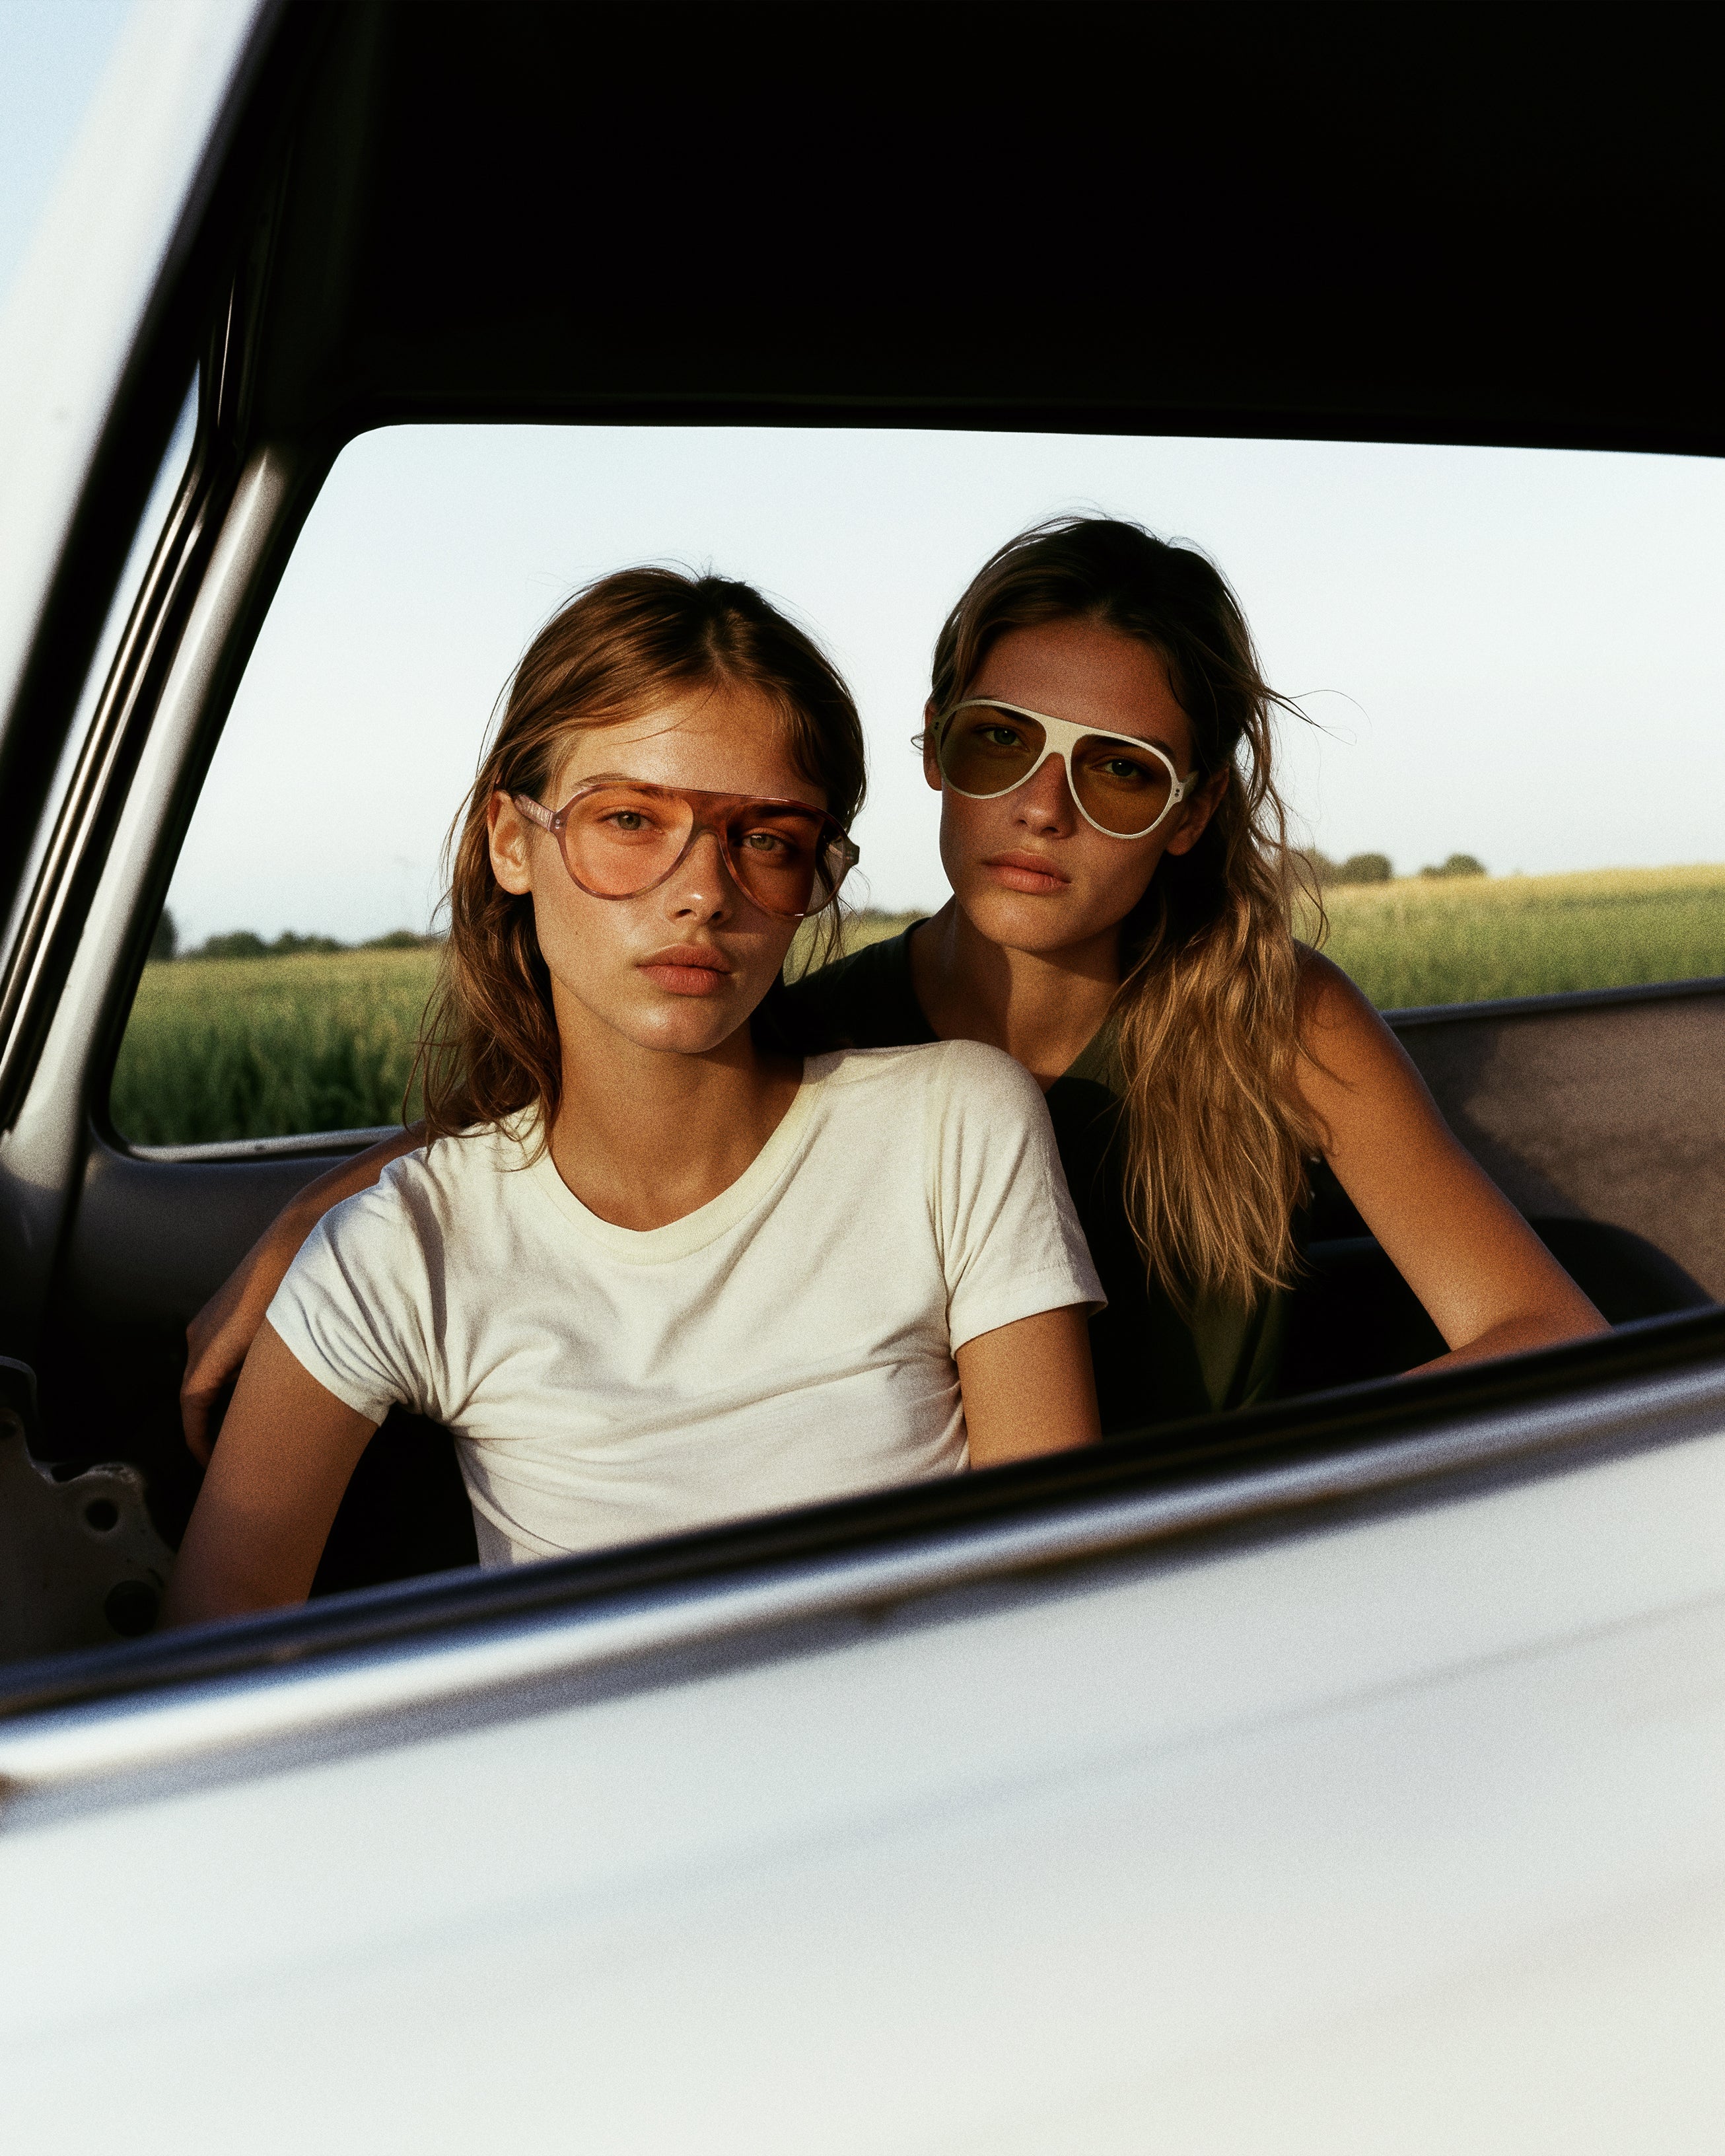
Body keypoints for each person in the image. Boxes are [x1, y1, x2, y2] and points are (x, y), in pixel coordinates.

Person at [178, 517, 1604, 1465]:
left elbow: (1541, 1331)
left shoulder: (1271, 1018)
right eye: (999, 742)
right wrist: (331, 1209)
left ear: (1188, 815)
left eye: (1118, 771)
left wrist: (1219, 1498)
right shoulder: (824, 1036)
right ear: (932, 750)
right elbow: (596, 1120)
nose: (1041, 807)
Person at [163, 569, 1101, 1626]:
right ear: (511, 841)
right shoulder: (400, 1247)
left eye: (766, 838)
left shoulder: (955, 1129)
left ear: (820, 875)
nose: (702, 891)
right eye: (629, 819)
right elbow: (212, 1653)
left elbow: (1053, 1593)